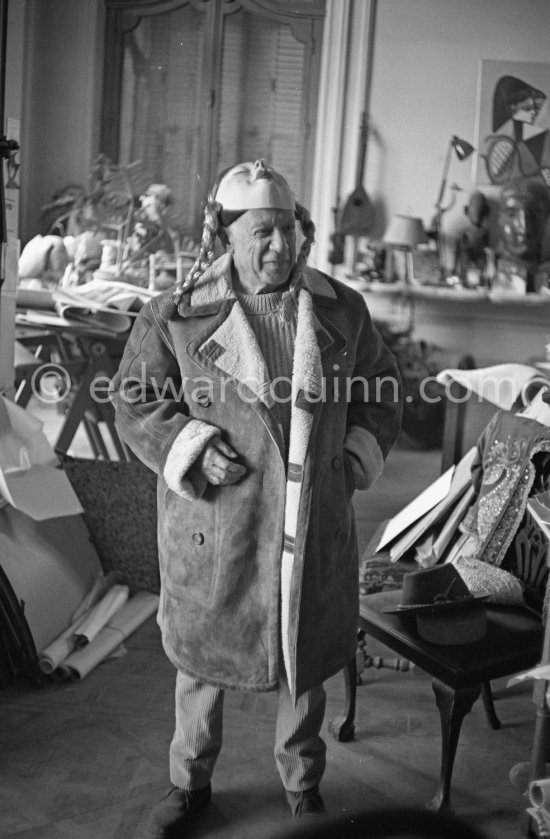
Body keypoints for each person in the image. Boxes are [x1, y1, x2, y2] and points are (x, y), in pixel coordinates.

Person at [111, 159, 402, 837]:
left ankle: (303, 781)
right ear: (224, 233)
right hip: (217, 524)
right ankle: (190, 782)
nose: (281, 247)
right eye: (263, 232)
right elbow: (133, 399)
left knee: (303, 663)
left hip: (311, 516)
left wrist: (354, 454)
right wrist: (186, 444)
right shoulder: (177, 315)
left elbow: (381, 387)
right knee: (202, 662)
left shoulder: (341, 308)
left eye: (291, 231)